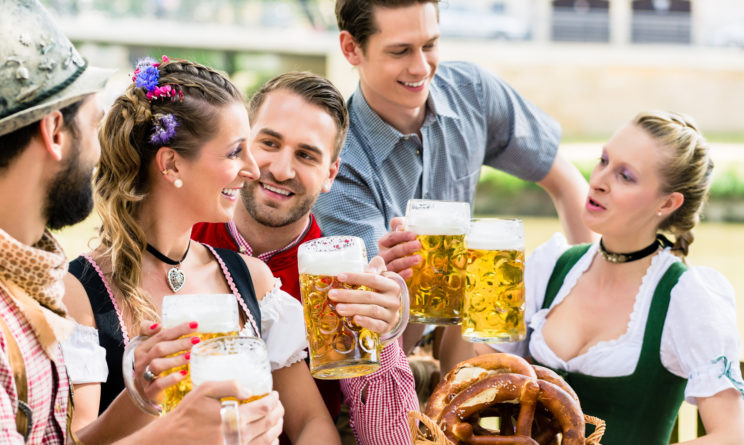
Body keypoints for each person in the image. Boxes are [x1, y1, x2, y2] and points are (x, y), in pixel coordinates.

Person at [0, 1, 264, 444]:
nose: (103, 153)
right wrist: (172, 432)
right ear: (55, 133)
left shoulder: (17, 279)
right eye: (94, 126)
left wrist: (140, 400)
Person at [62, 57, 336, 444]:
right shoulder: (80, 291)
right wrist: (140, 395)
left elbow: (312, 423)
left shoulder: (250, 280)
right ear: (171, 164)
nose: (254, 170)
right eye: (235, 152)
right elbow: (77, 440)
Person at [314, 0, 597, 374]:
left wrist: (588, 301)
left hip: (471, 344)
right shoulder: (339, 168)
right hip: (391, 365)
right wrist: (403, 284)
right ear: (351, 48)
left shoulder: (472, 92)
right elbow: (379, 342)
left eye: (429, 45)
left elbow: (565, 183)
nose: (420, 67)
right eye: (400, 51)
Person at [482, 111, 744, 445]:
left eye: (625, 176)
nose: (599, 180)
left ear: (668, 202)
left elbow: (732, 436)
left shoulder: (686, 298)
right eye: (603, 160)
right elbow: (474, 374)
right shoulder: (549, 269)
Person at [191, 71, 418, 445]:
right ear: (243, 143)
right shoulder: (185, 235)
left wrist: (384, 337)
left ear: (330, 175)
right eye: (270, 143)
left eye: (306, 155)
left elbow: (391, 440)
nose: (282, 170)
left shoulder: (338, 280)